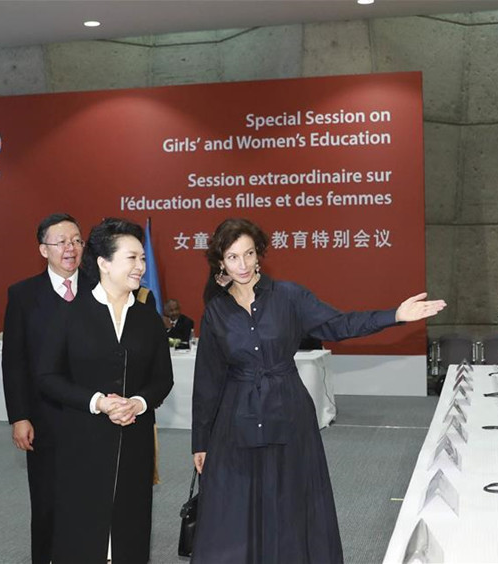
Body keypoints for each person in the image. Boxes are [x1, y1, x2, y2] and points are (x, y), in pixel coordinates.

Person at [191, 218, 446, 564]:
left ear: (259, 254)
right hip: (236, 422)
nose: (243, 265)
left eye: (249, 254)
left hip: (288, 412)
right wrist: (201, 442)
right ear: (220, 261)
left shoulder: (289, 297)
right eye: (233, 257)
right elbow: (207, 379)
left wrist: (395, 315)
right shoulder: (216, 311)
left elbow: (338, 324)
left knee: (292, 503)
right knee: (235, 508)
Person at [37, 218, 174, 563]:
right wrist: (98, 402)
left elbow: (163, 379)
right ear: (103, 262)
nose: (140, 267)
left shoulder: (147, 318)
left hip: (135, 443)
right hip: (82, 442)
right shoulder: (69, 314)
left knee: (131, 531)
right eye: (132, 258)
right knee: (82, 533)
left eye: (142, 258)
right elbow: (47, 376)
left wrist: (139, 403)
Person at [1, 212, 89, 564]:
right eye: (61, 241)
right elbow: (14, 360)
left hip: (92, 415)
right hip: (44, 418)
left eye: (76, 240)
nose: (70, 248)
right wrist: (19, 415)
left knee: (90, 501)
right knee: (48, 502)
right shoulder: (23, 295)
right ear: (43, 249)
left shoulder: (101, 288)